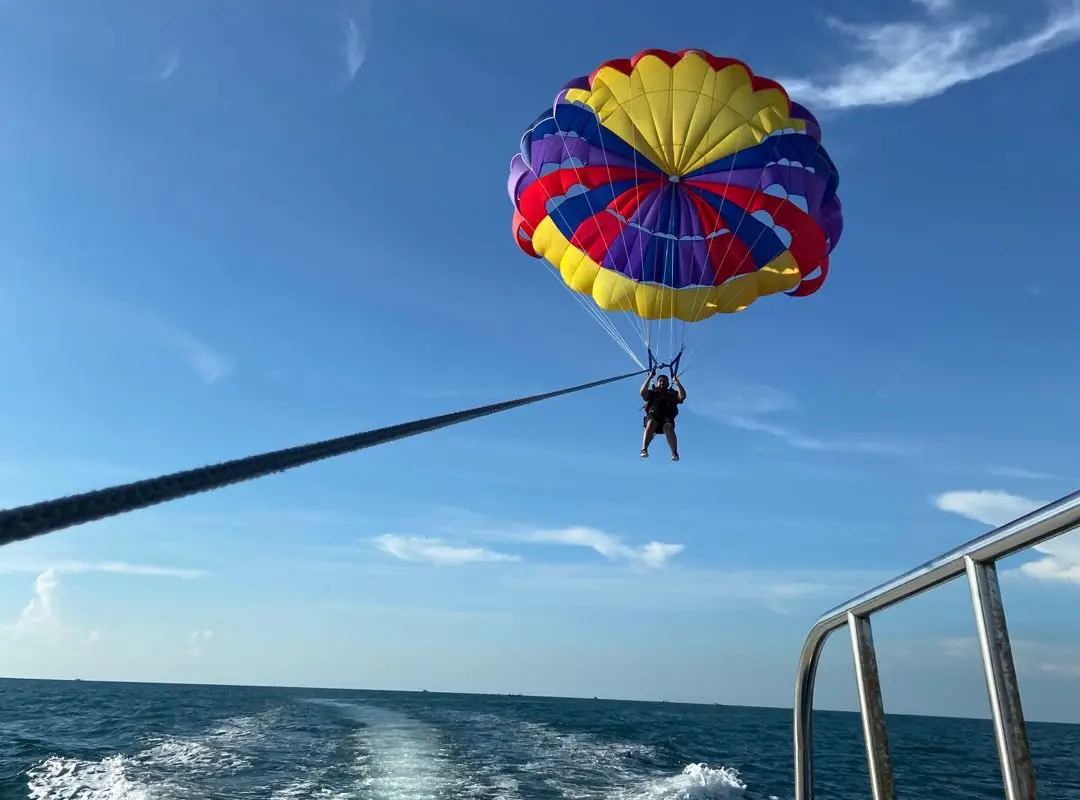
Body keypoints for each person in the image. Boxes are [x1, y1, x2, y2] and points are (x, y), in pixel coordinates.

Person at [640, 370, 686, 461]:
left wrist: (678, 383)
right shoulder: (653, 393)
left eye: (665, 381)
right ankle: (644, 449)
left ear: (668, 383)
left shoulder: (672, 394)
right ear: (657, 383)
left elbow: (683, 396)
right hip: (654, 416)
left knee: (669, 427)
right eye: (660, 380)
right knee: (651, 423)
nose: (662, 382)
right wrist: (649, 378)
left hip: (667, 419)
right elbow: (642, 393)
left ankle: (674, 453)